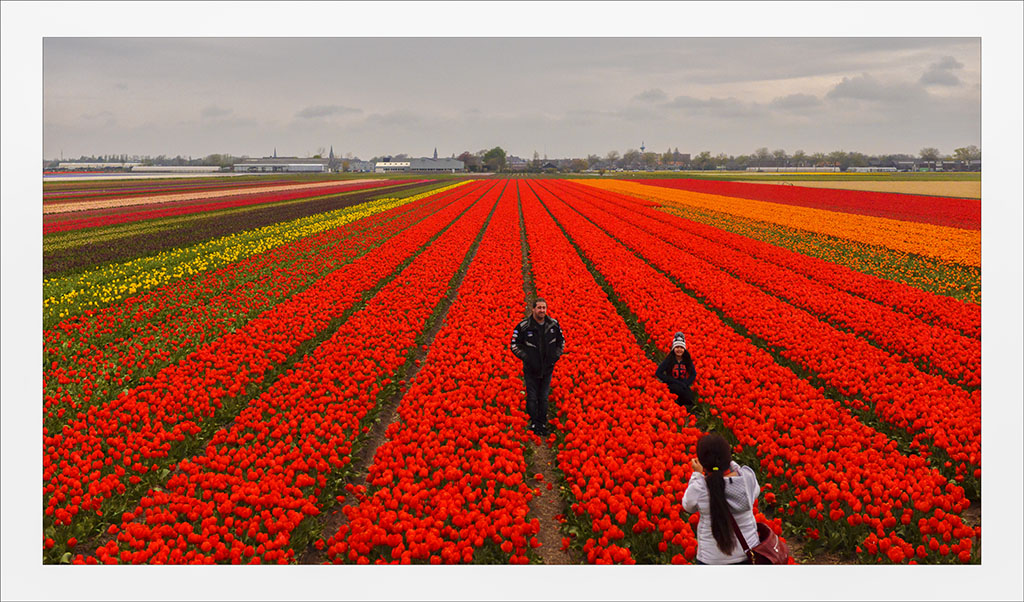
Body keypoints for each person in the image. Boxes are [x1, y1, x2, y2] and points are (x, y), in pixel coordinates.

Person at [682, 432, 761, 565]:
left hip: (711, 559)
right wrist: (730, 464)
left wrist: (696, 474)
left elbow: (687, 505)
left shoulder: (700, 487)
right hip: (748, 552)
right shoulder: (746, 478)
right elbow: (756, 492)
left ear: (702, 462)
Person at [509, 298, 564, 436]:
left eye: (544, 308)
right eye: (539, 308)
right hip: (531, 368)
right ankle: (534, 423)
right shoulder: (523, 327)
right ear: (533, 309)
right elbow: (514, 345)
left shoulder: (553, 325)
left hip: (547, 367)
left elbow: (561, 343)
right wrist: (527, 358)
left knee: (544, 397)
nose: (542, 310)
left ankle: (542, 423)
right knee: (532, 397)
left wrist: (554, 357)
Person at [655, 332, 697, 407]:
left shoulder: (687, 359)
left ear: (684, 349)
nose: (679, 350)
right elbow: (658, 373)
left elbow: (693, 374)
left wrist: (687, 383)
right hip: (672, 385)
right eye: (677, 347)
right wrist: (669, 380)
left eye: (681, 348)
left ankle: (682, 408)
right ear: (673, 348)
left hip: (683, 384)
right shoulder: (669, 359)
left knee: (690, 398)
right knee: (677, 390)